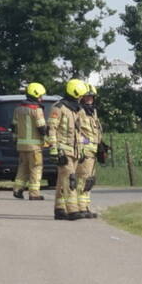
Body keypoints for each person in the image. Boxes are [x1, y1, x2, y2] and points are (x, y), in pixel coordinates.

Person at [48, 78, 87, 220]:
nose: (82, 98)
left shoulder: (76, 110)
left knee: (62, 180)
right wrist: (54, 148)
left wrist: (82, 148)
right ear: (75, 93)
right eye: (80, 95)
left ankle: (59, 209)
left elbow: (79, 132)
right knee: (70, 179)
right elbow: (51, 128)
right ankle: (72, 210)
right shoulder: (59, 108)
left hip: (75, 150)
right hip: (63, 150)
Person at [11, 82, 49, 200]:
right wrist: (47, 138)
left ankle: (17, 189)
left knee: (23, 167)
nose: (41, 98)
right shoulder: (37, 110)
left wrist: (15, 140)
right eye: (40, 96)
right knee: (36, 168)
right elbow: (41, 127)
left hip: (21, 145)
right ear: (36, 94)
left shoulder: (18, 109)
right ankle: (34, 193)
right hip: (35, 147)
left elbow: (14, 126)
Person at [74, 83, 102, 219]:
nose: (90, 99)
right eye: (87, 96)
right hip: (84, 152)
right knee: (82, 179)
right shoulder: (78, 111)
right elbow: (75, 133)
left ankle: (85, 206)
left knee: (89, 180)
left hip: (93, 152)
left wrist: (100, 144)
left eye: (91, 96)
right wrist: (86, 143)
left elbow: (95, 131)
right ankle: (80, 207)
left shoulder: (93, 111)